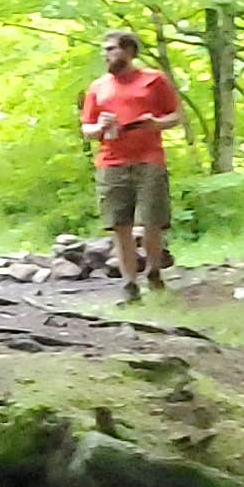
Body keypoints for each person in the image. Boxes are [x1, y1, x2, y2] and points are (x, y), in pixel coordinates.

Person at [80, 30, 189, 296]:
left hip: (149, 158)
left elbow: (176, 116)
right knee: (120, 224)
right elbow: (86, 129)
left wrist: (155, 123)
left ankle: (154, 272)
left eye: (111, 49)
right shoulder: (98, 87)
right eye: (104, 50)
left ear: (129, 51)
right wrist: (99, 126)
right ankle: (129, 282)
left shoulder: (154, 80)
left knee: (152, 220)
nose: (105, 54)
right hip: (111, 162)